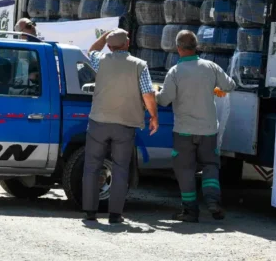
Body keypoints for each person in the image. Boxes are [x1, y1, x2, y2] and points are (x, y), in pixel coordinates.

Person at [156, 30, 236, 223]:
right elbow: (230, 85)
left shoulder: (175, 72)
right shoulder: (211, 67)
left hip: (184, 130)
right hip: (208, 130)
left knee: (185, 169)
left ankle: (190, 211)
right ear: (196, 47)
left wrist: (155, 93)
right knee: (210, 165)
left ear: (178, 49)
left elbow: (165, 100)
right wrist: (215, 88)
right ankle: (212, 201)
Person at [82, 28, 159, 224]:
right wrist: (153, 116)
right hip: (125, 124)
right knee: (121, 168)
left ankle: (90, 212)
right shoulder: (139, 65)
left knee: (92, 167)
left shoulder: (101, 61)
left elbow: (91, 50)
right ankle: (115, 214)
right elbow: (148, 93)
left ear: (109, 46)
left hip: (98, 122)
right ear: (127, 44)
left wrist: (105, 35)